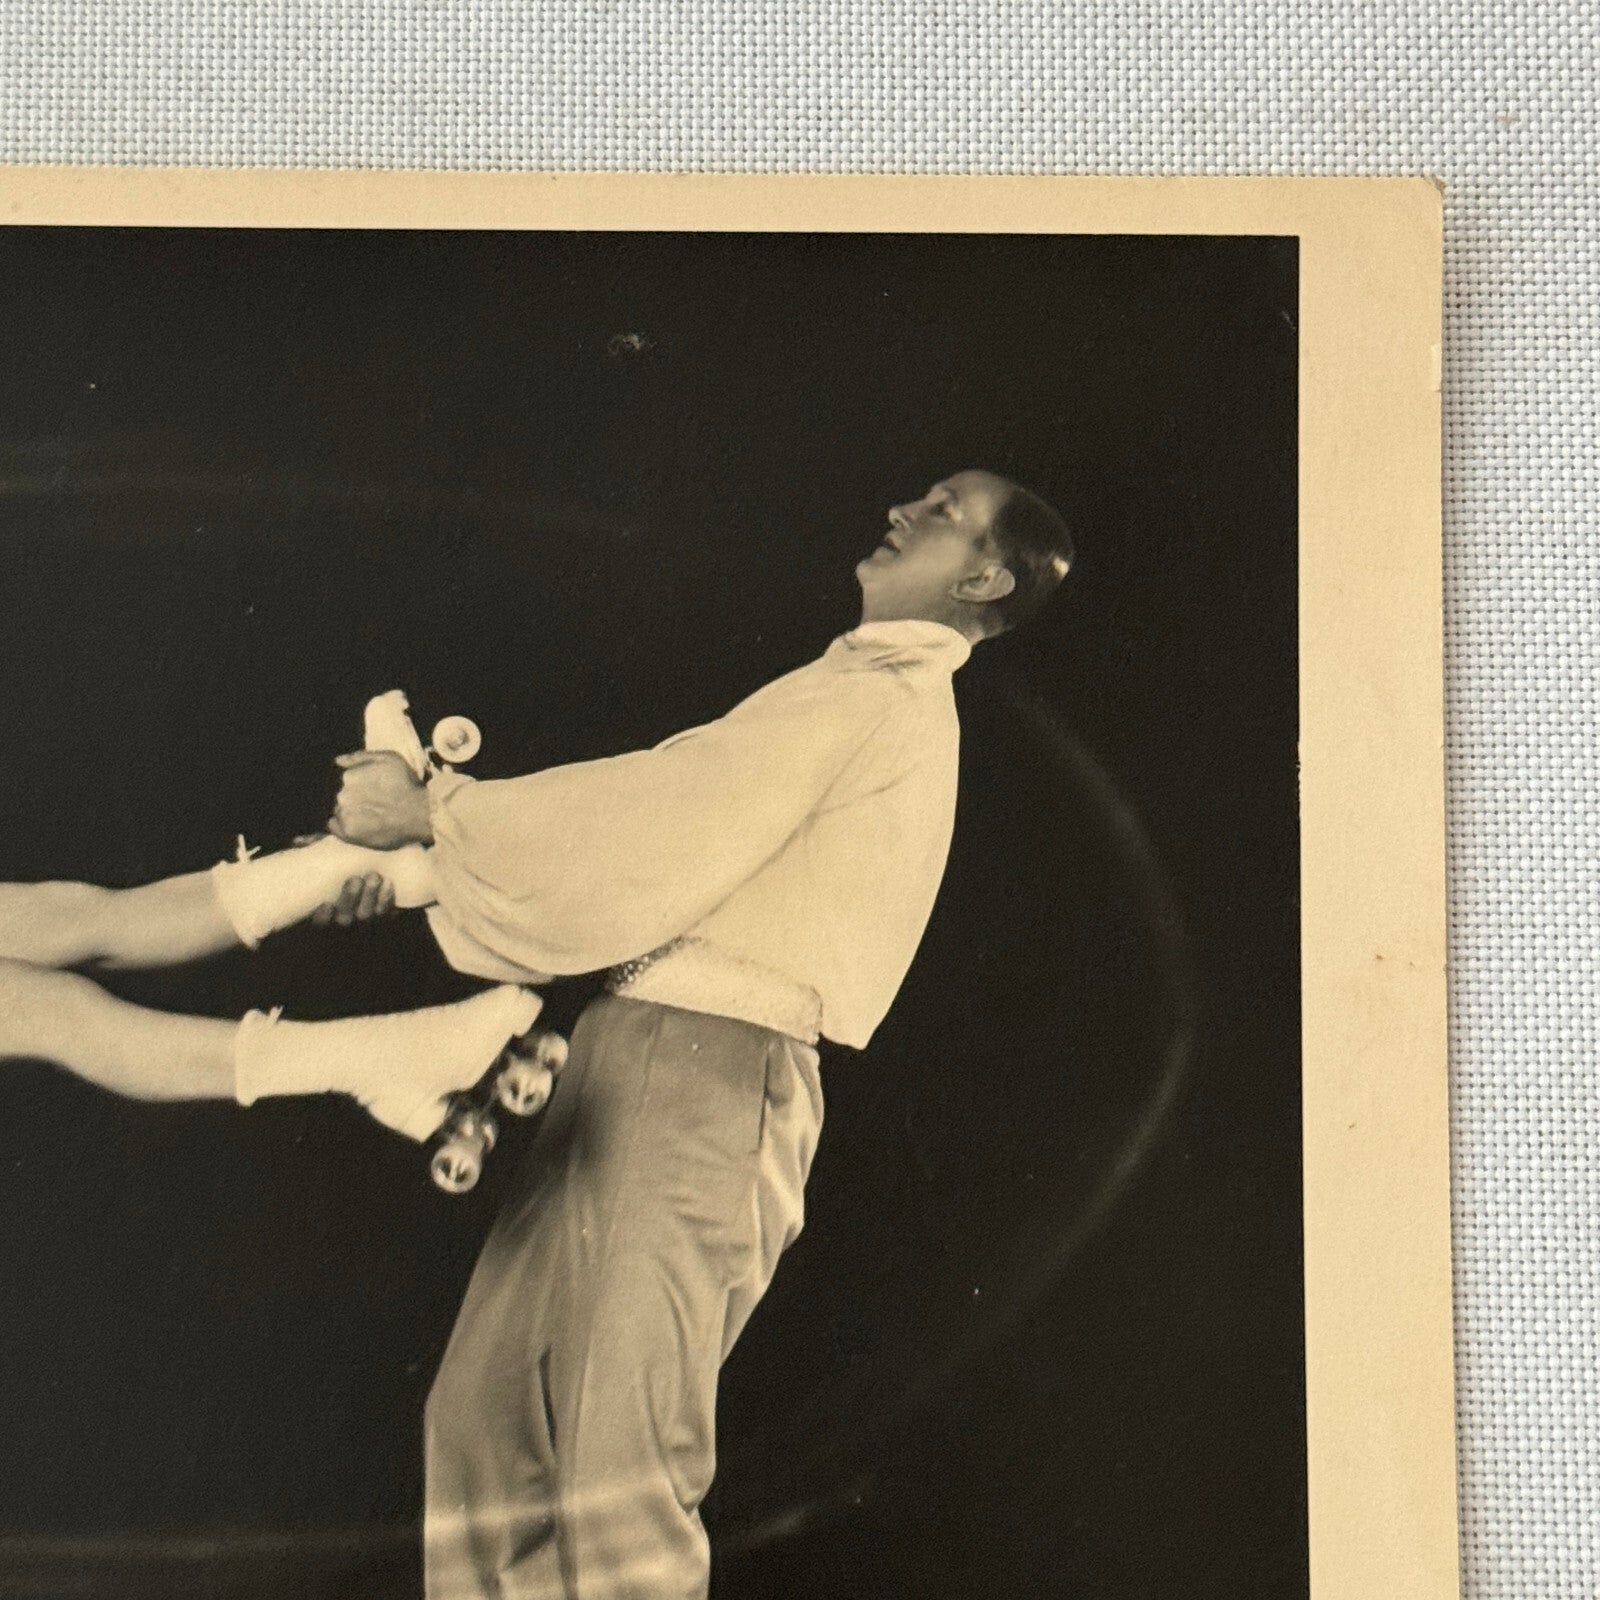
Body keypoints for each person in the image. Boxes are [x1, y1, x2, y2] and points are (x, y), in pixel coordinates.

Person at [0, 469, 1073, 1600]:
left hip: (710, 1064)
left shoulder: (882, 698)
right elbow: (665, 850)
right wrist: (421, 862)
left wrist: (434, 819)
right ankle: (362, 1046)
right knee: (482, 1423)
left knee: (619, 1473)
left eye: (941, 510)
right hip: (636, 1051)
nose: (902, 508)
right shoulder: (852, 686)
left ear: (982, 576)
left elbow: (666, 815)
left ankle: (362, 1044)